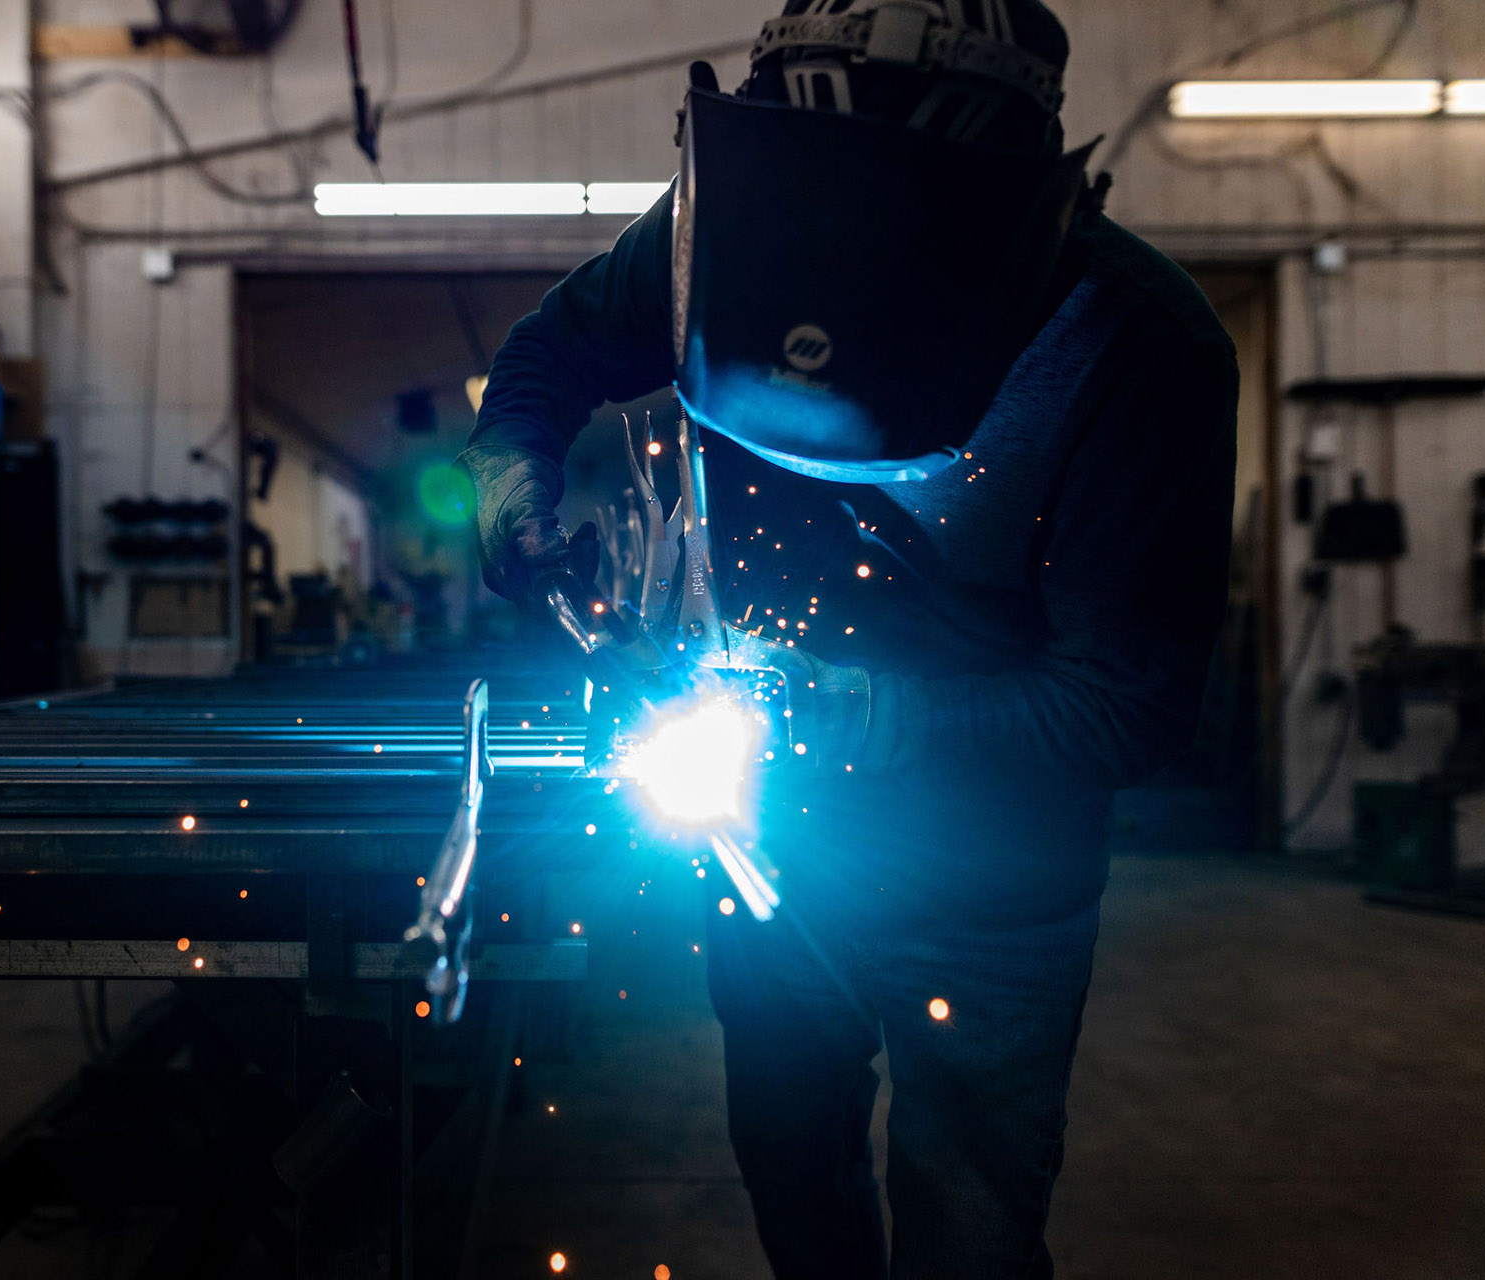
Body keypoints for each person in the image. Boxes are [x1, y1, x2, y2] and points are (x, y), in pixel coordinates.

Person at [461, 1, 1238, 1275]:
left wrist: (866, 712)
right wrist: (511, 487)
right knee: (791, 1164)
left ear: (1024, 217)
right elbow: (545, 362)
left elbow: (1132, 704)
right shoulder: (719, 239)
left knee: (967, 1229)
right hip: (777, 851)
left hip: (993, 884)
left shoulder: (1136, 351)